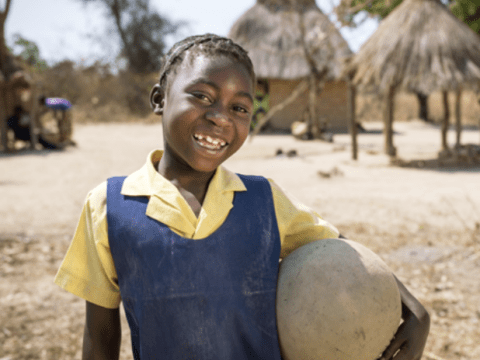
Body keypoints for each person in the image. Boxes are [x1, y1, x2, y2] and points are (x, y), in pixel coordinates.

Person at [54, 34, 429, 360]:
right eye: (201, 96)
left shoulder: (262, 200)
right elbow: (100, 336)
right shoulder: (110, 206)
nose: (221, 118)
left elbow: (336, 246)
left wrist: (410, 305)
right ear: (159, 99)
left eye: (240, 108)